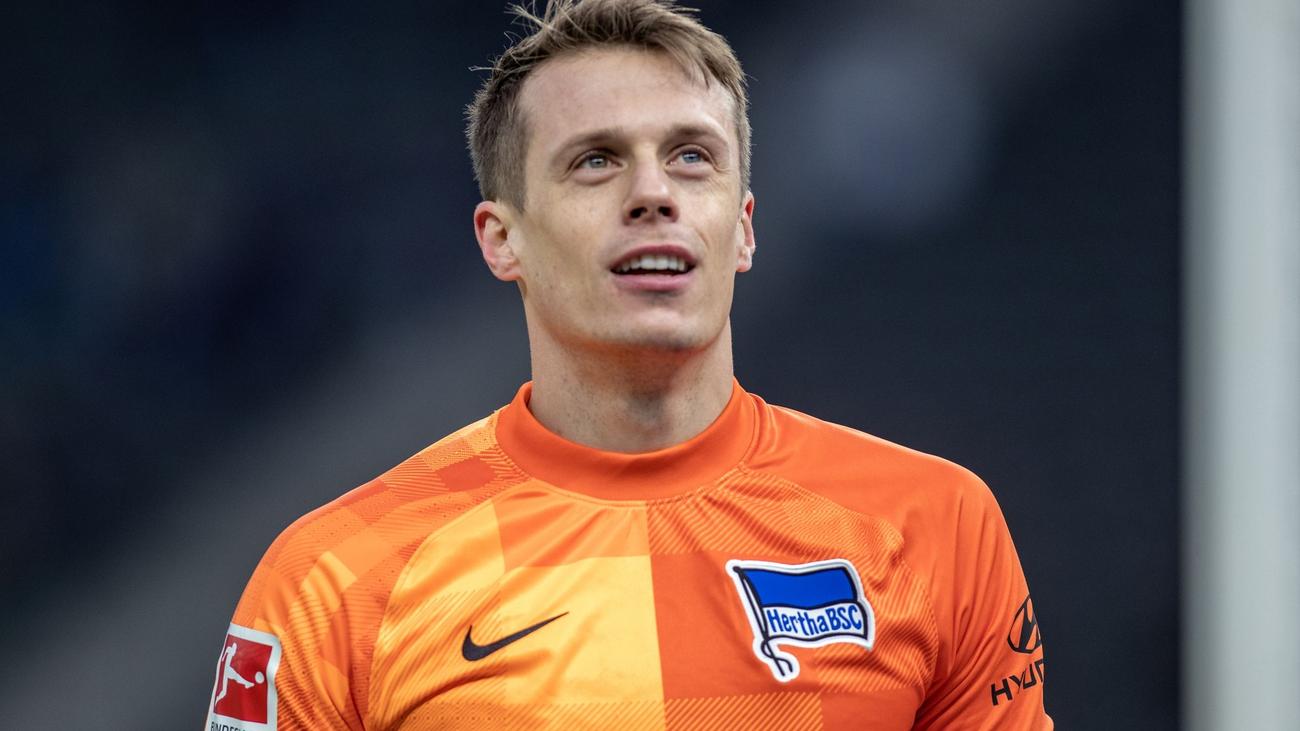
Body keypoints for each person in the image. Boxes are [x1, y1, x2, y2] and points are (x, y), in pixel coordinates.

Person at [205, 1, 1052, 729]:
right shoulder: (338, 578)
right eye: (595, 161)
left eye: (692, 157)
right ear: (503, 239)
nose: (654, 193)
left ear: (744, 227)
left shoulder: (933, 527)